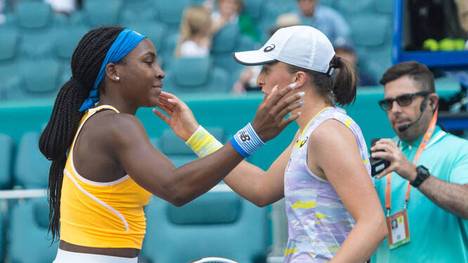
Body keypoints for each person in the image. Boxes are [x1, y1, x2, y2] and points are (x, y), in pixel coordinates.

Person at [38, 26, 304, 262]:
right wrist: (253, 134)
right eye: (148, 62)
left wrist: (196, 134)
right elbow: (176, 188)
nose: (160, 73)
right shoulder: (116, 126)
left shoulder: (98, 121)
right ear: (113, 71)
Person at [157, 25, 387, 262]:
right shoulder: (311, 132)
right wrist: (195, 135)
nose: (259, 80)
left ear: (298, 79)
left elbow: (373, 223)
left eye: (267, 69)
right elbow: (261, 188)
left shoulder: (327, 132)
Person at [371, 61, 468, 262]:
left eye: (404, 100)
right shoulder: (382, 155)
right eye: (388, 103)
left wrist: (414, 174)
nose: (395, 110)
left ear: (432, 102)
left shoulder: (459, 150)